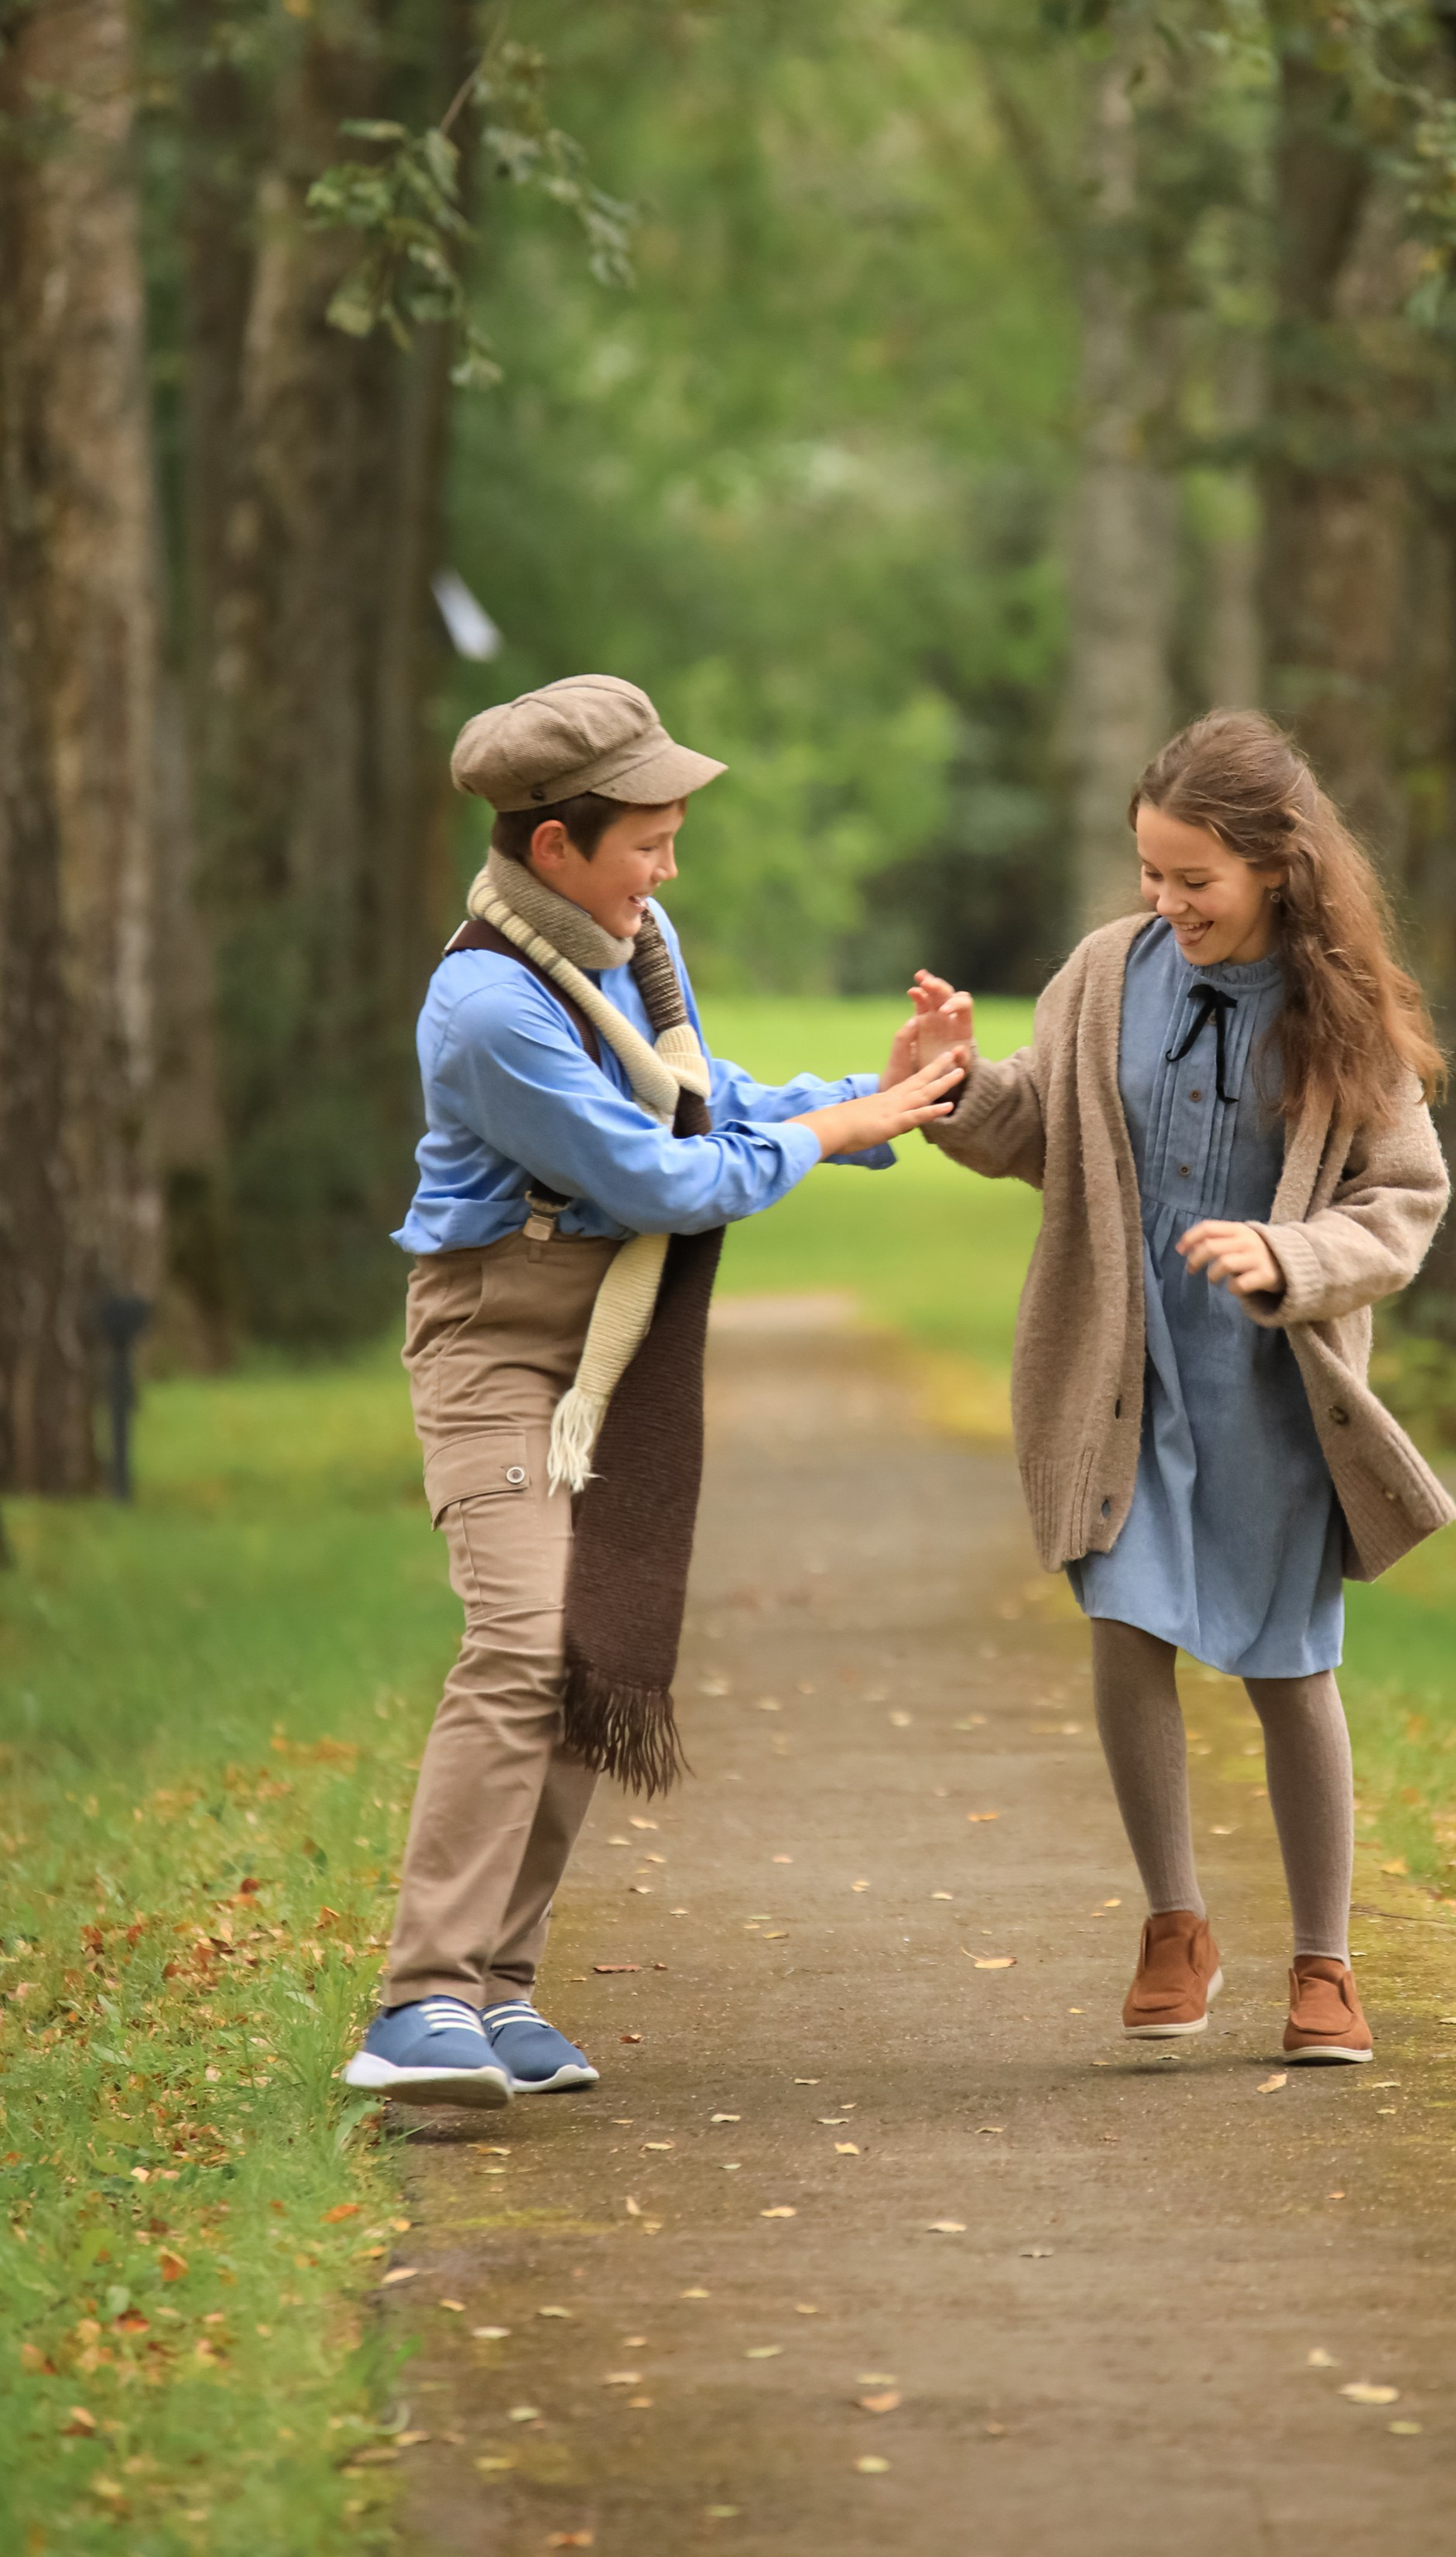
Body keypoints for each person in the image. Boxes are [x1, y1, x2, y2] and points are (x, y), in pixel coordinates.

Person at [342, 675, 963, 2108]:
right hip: (499, 1344)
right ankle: (419, 2001)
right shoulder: (488, 1005)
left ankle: (496, 1993)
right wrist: (836, 1131)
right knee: (521, 1640)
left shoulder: (633, 946)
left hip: (609, 1349)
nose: (668, 872)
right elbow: (657, 1179)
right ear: (555, 846)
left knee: (591, 1650)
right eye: (648, 843)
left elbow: (696, 1096)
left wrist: (864, 1098)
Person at [911, 709, 1454, 2064]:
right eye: (1151, 872)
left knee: (1289, 1663)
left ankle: (1324, 1963)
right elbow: (1043, 1130)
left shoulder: (1345, 1017)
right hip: (1122, 1367)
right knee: (1124, 1619)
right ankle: (1174, 1926)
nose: (1167, 902)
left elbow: (1403, 1202)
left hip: (1271, 1389)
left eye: (1195, 878)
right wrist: (954, 1087)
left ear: (1277, 863)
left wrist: (1291, 1256)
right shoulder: (1105, 976)